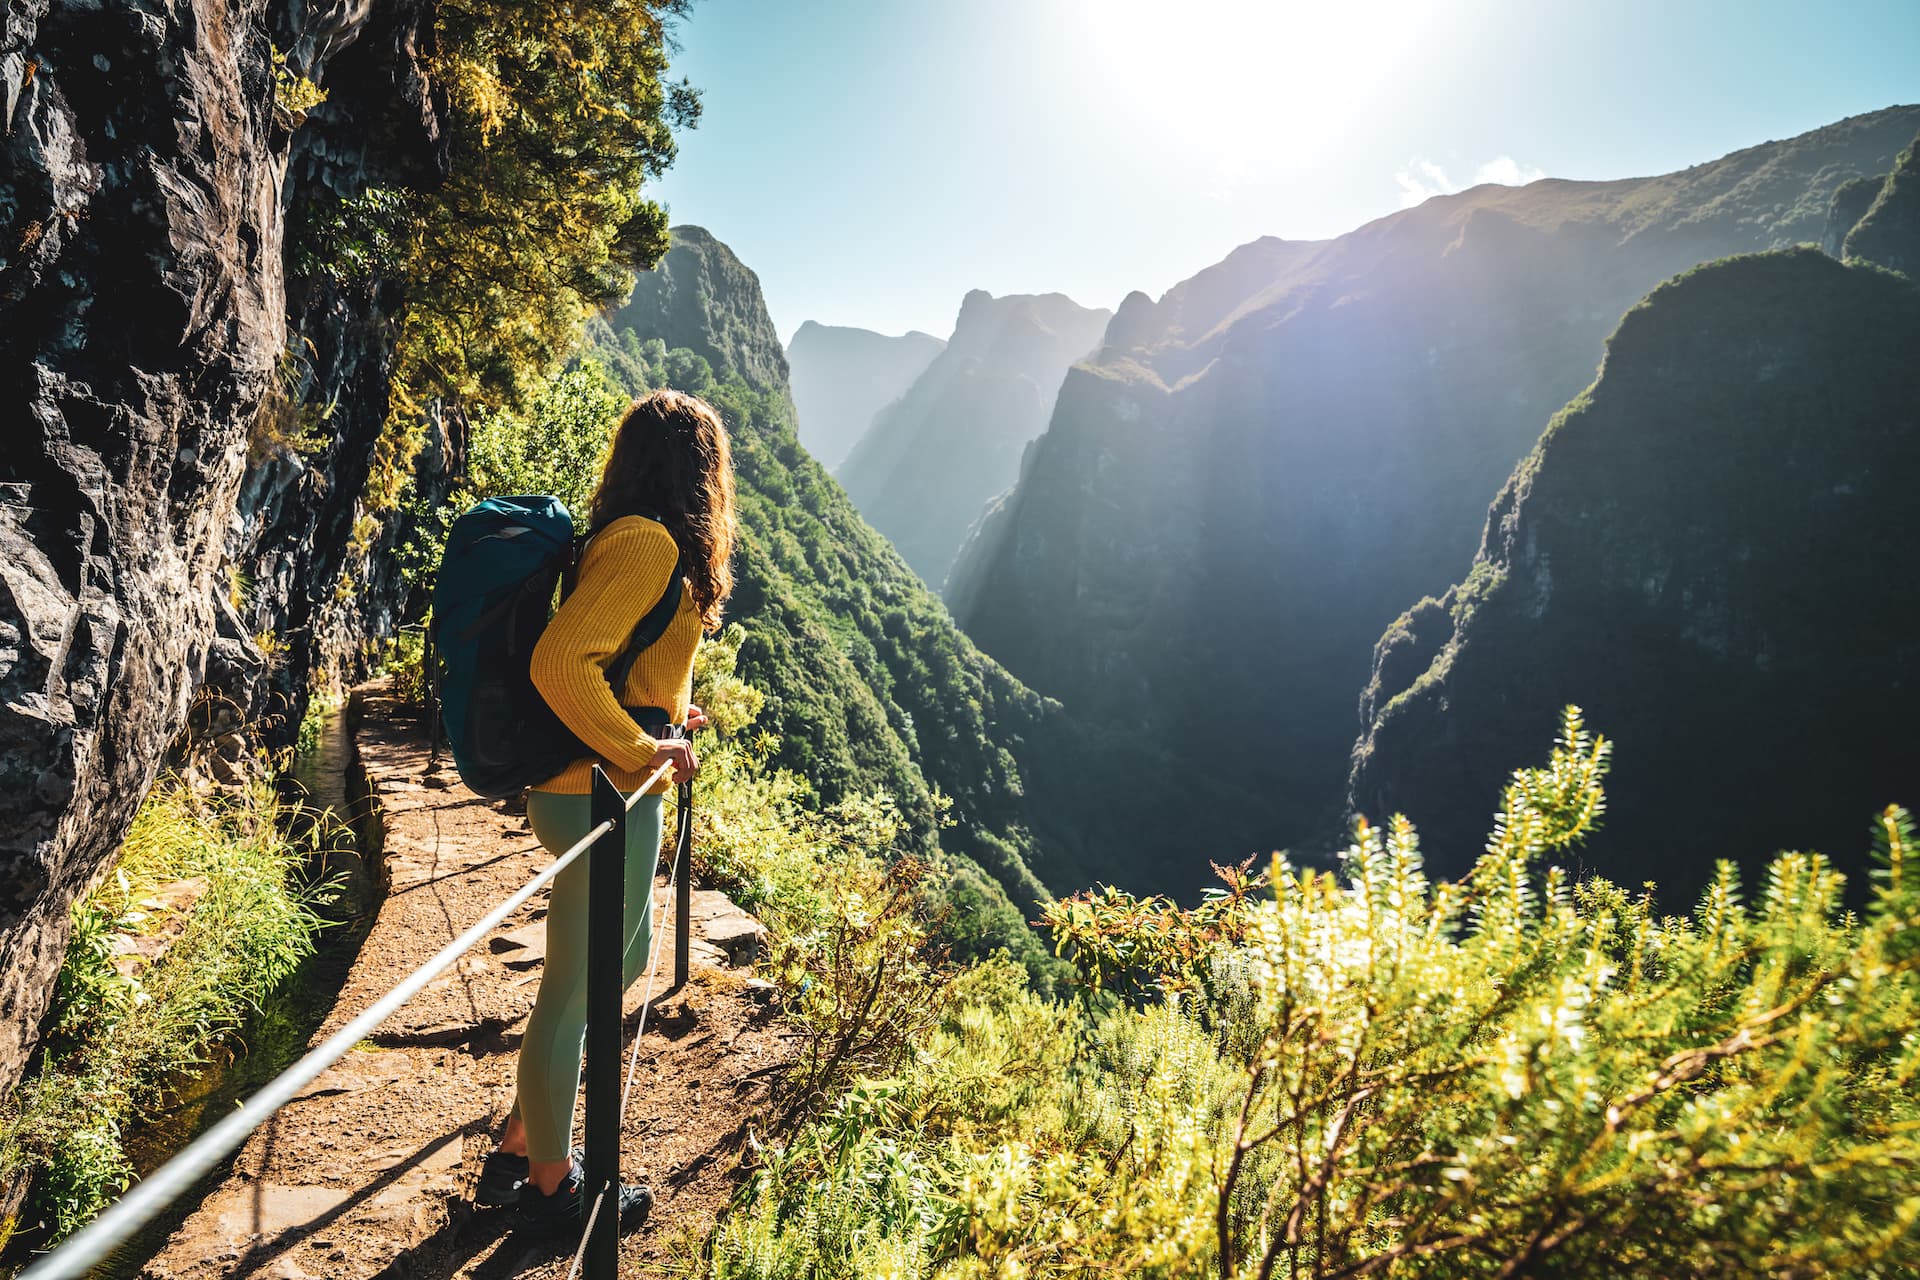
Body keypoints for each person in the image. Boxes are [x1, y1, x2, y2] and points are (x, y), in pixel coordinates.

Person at [473, 388, 737, 1234]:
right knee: (581, 985)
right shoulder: (647, 546)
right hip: (600, 794)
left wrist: (662, 715)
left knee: (602, 972)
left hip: (611, 787)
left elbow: (621, 664)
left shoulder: (634, 540)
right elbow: (562, 664)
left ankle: (524, 1137)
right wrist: (637, 749)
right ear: (701, 471)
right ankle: (552, 1189)